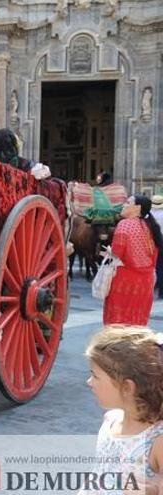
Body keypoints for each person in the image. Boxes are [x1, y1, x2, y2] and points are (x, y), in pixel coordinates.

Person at [85, 327, 163, 493]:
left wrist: (154, 491)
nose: (89, 382)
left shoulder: (157, 440)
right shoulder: (110, 421)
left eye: (95, 376)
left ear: (127, 387)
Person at [103, 196, 163, 326]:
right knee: (137, 323)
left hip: (125, 281)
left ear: (137, 208)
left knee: (118, 323)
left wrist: (108, 252)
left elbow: (116, 253)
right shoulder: (150, 226)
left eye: (128, 202)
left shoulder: (124, 224)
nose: (123, 205)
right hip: (146, 283)